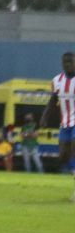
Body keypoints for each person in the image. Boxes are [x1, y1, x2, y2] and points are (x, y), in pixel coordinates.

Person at [36, 51, 75, 201]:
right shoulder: (57, 81)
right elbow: (52, 101)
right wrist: (44, 117)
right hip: (65, 123)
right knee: (63, 156)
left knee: (73, 147)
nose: (67, 65)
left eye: (70, 62)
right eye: (65, 62)